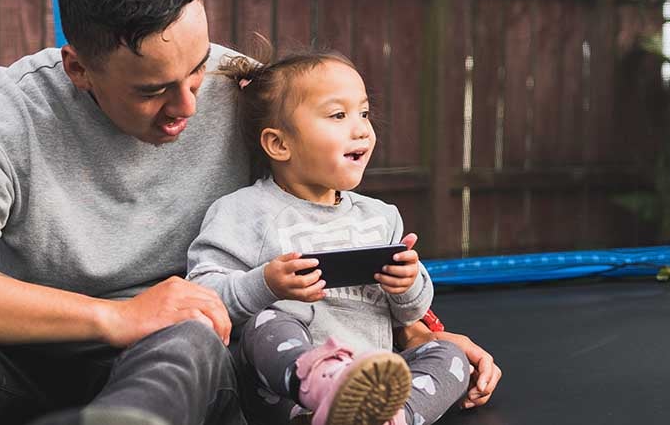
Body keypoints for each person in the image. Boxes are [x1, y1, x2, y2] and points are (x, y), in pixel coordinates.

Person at [0, 0, 499, 425]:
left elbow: (325, 210)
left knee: (192, 332)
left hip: (173, 378)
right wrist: (115, 317)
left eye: (196, 70)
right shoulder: (3, 116)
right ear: (78, 69)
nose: (189, 106)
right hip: (9, 372)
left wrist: (422, 329)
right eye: (154, 90)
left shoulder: (241, 83)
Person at [186, 51, 470, 425]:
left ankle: (393, 416)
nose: (361, 129)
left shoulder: (380, 217)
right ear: (279, 144)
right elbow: (202, 296)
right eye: (339, 115)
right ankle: (321, 392)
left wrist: (408, 284)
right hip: (282, 392)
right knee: (267, 323)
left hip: (374, 378)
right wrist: (264, 284)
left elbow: (410, 315)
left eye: (364, 113)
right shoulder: (244, 212)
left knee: (451, 356)